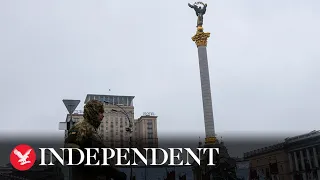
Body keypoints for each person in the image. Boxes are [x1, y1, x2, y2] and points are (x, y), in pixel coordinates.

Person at [64, 100, 127, 180]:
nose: (103, 116)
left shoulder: (91, 130)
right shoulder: (81, 128)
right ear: (93, 112)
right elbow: (70, 153)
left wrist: (114, 172)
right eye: (100, 112)